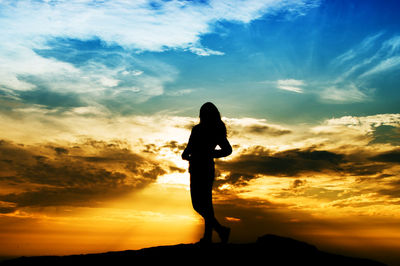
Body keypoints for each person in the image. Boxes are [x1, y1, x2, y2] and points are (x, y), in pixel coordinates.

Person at [182, 102, 232, 244]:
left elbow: (227, 150)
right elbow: (188, 149)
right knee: (204, 205)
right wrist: (187, 155)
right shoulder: (197, 130)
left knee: (200, 205)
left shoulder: (214, 130)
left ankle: (216, 233)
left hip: (203, 169)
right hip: (198, 168)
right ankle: (212, 235)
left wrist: (209, 153)